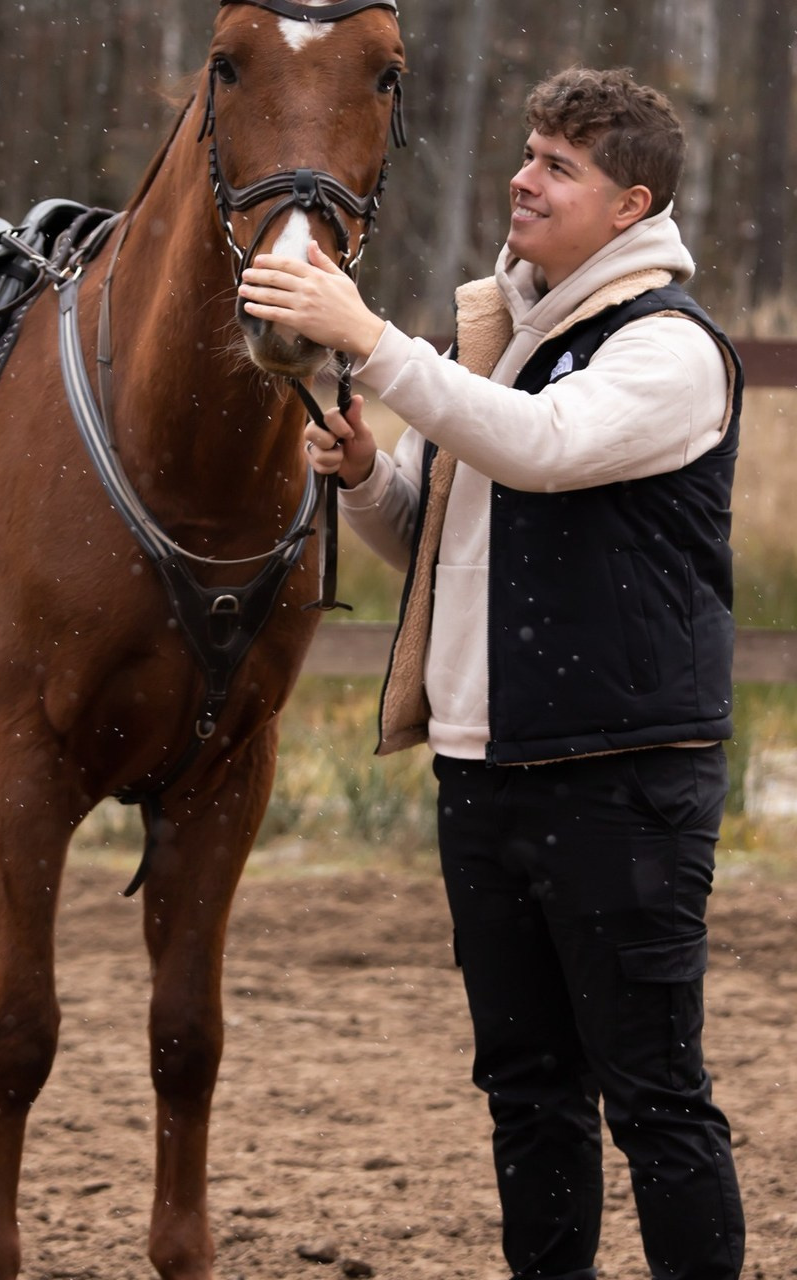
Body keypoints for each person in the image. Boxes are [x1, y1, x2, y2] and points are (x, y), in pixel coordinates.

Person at [238, 67, 746, 1280]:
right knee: (526, 1093)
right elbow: (441, 532)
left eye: (557, 165)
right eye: (526, 151)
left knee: (653, 1095)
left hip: (621, 776)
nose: (521, 177)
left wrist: (367, 336)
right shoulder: (508, 344)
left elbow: (538, 451)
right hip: (485, 769)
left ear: (629, 207)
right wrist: (366, 473)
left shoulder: (665, 350)